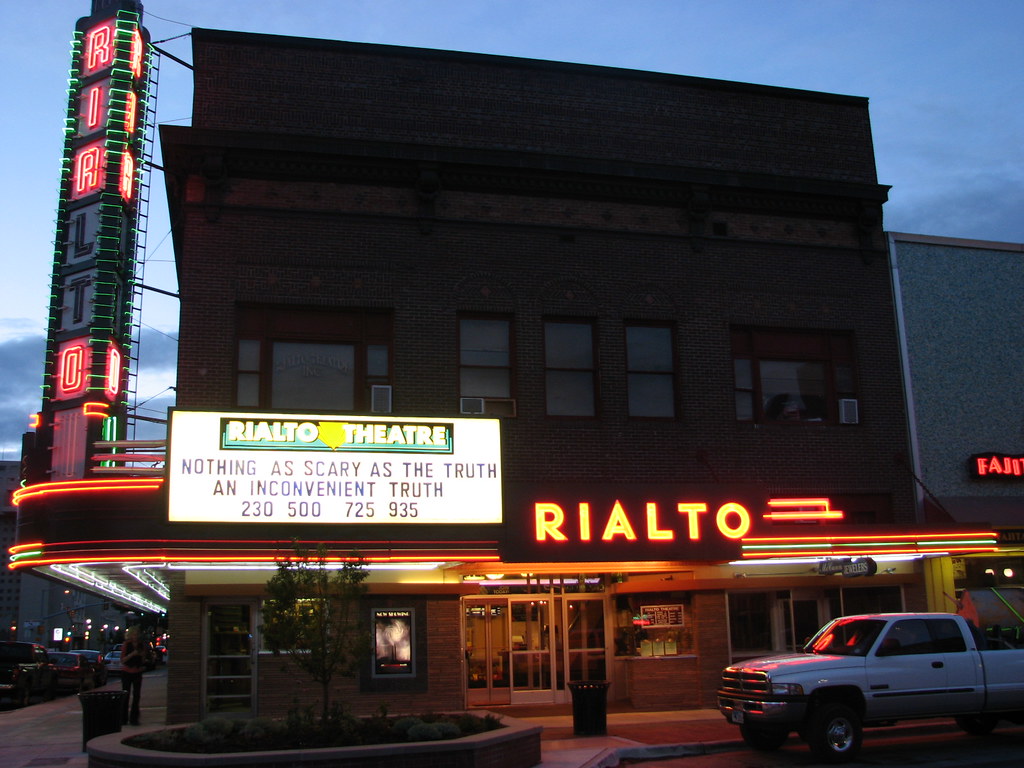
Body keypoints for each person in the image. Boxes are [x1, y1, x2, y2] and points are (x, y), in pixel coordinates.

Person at [120, 626, 148, 725]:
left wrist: (142, 656)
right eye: (133, 635)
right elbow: (123, 660)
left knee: (136, 696)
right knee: (126, 695)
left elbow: (144, 659)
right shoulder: (126, 645)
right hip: (127, 671)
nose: (135, 637)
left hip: (137, 671)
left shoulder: (141, 645)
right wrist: (132, 654)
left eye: (136, 635)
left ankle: (134, 718)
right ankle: (123, 718)